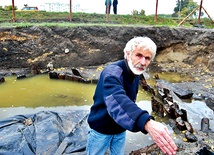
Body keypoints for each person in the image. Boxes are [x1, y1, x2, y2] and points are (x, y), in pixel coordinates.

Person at [86, 36, 178, 155]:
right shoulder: (112, 73)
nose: (143, 62)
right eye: (139, 55)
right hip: (101, 129)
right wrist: (146, 122)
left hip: (120, 129)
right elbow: (117, 101)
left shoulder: (136, 72)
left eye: (147, 58)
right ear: (128, 54)